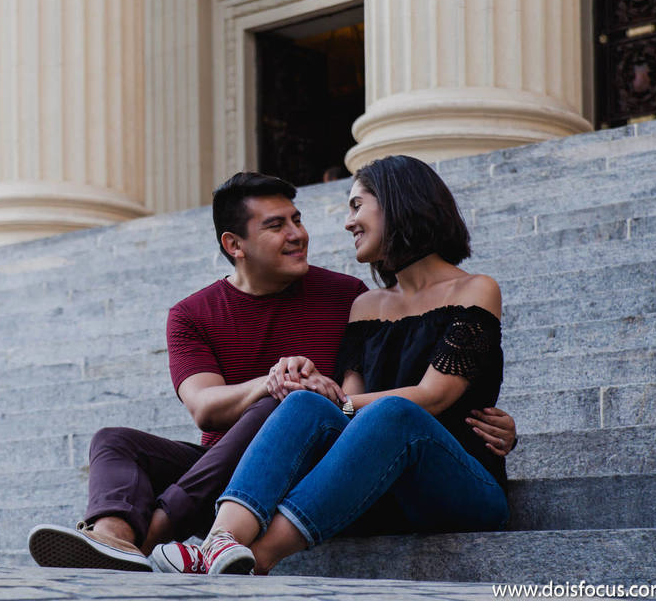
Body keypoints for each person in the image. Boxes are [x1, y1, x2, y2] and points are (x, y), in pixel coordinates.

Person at [27, 171, 517, 572]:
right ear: (234, 244)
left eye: (298, 219)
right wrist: (287, 386)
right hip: (278, 468)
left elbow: (426, 395)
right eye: (277, 225)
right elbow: (208, 408)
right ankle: (137, 538)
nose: (304, 233)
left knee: (345, 409)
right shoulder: (359, 304)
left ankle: (195, 544)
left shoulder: (369, 294)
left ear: (399, 206)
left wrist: (322, 395)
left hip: (404, 466)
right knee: (122, 437)